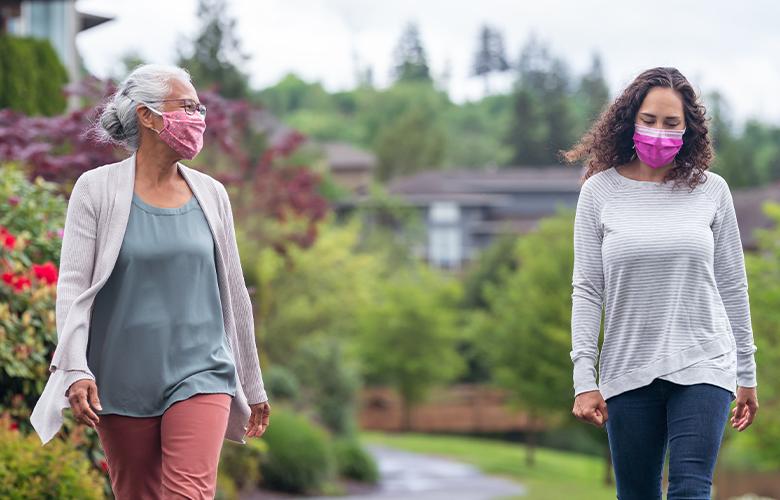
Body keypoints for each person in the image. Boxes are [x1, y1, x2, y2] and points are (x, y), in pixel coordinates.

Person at [30, 63, 271, 499]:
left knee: (188, 494)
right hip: (121, 380)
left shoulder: (212, 194)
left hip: (203, 372)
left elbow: (234, 293)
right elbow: (72, 287)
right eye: (187, 106)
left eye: (200, 107)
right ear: (147, 115)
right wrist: (74, 368)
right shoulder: (95, 190)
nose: (198, 117)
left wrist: (251, 385)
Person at [564, 66, 759, 499]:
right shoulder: (599, 192)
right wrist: (585, 378)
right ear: (630, 120)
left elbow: (732, 284)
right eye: (649, 120)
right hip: (627, 366)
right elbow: (588, 290)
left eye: (671, 123)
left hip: (705, 361)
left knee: (691, 489)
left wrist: (747, 372)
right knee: (636, 493)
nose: (658, 131)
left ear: (688, 131)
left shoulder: (712, 192)